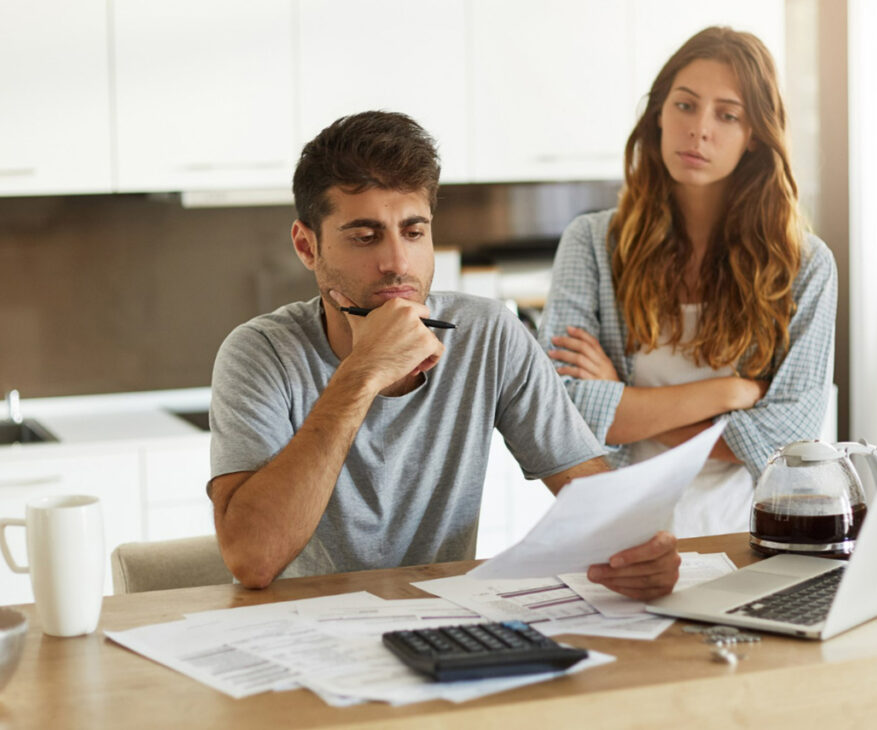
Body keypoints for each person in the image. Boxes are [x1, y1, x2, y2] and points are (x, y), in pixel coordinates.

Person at [207, 110, 681, 600]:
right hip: (302, 632)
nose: (397, 263)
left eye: (413, 232)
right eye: (365, 237)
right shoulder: (259, 353)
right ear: (307, 246)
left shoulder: (488, 334)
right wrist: (363, 372)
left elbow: (592, 497)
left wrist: (641, 550)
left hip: (443, 621)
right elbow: (252, 559)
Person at [539, 27, 837, 538]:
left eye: (727, 114)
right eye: (685, 105)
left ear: (755, 136)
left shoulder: (803, 265)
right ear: (658, 113)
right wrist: (730, 391)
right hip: (619, 532)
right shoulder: (590, 242)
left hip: (749, 534)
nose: (699, 129)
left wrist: (621, 398)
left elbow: (785, 445)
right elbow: (559, 413)